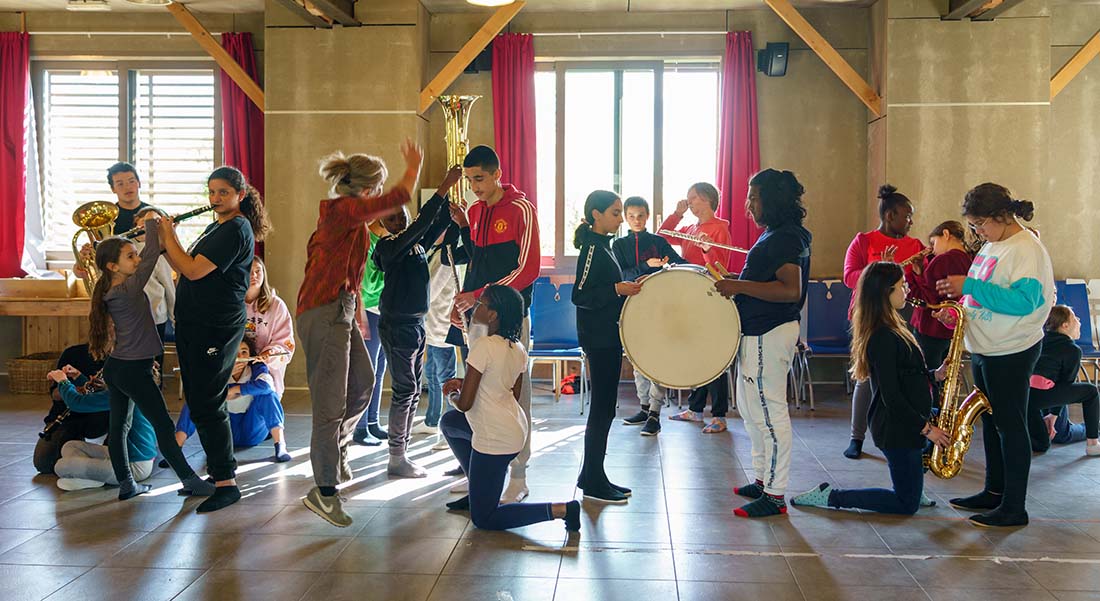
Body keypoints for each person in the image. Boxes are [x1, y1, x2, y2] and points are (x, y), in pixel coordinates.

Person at [296, 142, 421, 527]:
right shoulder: (343, 209)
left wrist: (355, 313)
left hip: (342, 310)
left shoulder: (349, 219)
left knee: (363, 386)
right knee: (329, 403)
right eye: (379, 186)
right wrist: (413, 166)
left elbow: (342, 266)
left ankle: (339, 452)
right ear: (370, 187)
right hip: (323, 312)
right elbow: (399, 197)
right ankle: (325, 491)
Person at [935, 182, 1055, 528]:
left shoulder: (1026, 249)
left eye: (980, 224)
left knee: (1010, 426)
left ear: (1003, 216)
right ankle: (994, 491)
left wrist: (969, 287)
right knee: (991, 423)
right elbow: (984, 293)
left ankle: (1014, 507)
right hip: (986, 346)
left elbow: (1023, 302)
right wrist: (959, 308)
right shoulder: (993, 244)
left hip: (1011, 350)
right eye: (973, 225)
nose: (977, 231)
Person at [791, 262, 950, 515]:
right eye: (901, 286)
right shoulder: (882, 337)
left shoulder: (895, 326)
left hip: (908, 423)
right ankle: (830, 496)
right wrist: (927, 428)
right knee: (904, 505)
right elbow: (892, 396)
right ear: (885, 292)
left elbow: (906, 374)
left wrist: (935, 374)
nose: (907, 291)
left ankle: (914, 487)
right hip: (896, 428)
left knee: (910, 485)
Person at [158, 166, 271, 512]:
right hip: (196, 324)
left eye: (223, 192)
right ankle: (219, 476)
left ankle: (226, 482)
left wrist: (168, 237)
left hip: (215, 327)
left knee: (208, 402)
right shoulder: (217, 227)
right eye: (212, 192)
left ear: (240, 195)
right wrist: (169, 241)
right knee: (199, 398)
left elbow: (192, 269)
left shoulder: (236, 229)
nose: (216, 198)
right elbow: (186, 267)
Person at [440, 285, 581, 532]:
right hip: (514, 428)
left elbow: (465, 404)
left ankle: (562, 509)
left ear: (493, 315)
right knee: (450, 423)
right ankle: (478, 488)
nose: (477, 307)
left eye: (482, 304)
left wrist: (453, 392)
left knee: (484, 519)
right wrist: (465, 383)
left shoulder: (482, 346)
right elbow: (507, 389)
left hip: (494, 438)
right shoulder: (517, 348)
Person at [87, 233, 214, 501]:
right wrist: (154, 225)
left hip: (119, 368)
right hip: (133, 371)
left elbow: (146, 257)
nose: (137, 259)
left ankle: (127, 485)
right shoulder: (127, 289)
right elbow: (152, 254)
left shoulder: (113, 289)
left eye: (135, 253)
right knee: (164, 427)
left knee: (119, 427)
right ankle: (190, 481)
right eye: (130, 256)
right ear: (112, 266)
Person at [716, 169, 812, 518]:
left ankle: (774, 494)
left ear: (772, 200)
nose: (748, 204)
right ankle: (762, 478)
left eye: (754, 197)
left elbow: (790, 289)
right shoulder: (777, 234)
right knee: (751, 407)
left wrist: (739, 287)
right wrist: (737, 280)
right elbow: (766, 278)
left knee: (769, 413)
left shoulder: (785, 237)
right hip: (759, 332)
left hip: (769, 333)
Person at [448, 145, 541, 504]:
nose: (475, 187)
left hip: (510, 319)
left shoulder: (521, 208)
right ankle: (479, 472)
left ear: (497, 174)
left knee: (515, 393)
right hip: (479, 315)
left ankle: (518, 477)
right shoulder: (475, 210)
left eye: (480, 179)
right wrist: (466, 304)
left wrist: (478, 294)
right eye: (470, 180)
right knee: (476, 393)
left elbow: (527, 268)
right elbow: (477, 262)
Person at [374, 166, 461, 477]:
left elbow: (433, 222)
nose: (398, 221)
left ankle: (402, 453)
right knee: (405, 390)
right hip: (398, 327)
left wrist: (453, 208)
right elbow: (424, 221)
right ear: (382, 223)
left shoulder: (416, 243)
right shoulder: (388, 248)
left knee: (411, 391)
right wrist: (442, 186)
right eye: (391, 218)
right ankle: (396, 456)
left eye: (401, 216)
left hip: (415, 325)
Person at [841, 184, 925, 459]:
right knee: (866, 378)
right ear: (890, 215)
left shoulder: (915, 247)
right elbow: (849, 277)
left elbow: (921, 285)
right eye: (907, 215)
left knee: (900, 379)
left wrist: (920, 273)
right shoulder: (864, 241)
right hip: (869, 316)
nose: (911, 221)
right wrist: (879, 271)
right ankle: (857, 437)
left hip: (901, 317)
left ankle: (904, 435)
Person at [573, 190, 642, 503]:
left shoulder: (606, 245)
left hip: (609, 336)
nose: (620, 217)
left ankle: (592, 474)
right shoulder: (591, 248)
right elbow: (580, 295)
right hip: (598, 339)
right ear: (596, 215)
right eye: (615, 212)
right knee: (602, 409)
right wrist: (617, 288)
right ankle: (594, 480)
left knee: (605, 408)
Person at [662, 183, 734, 433]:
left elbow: (720, 264)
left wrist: (706, 249)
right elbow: (662, 237)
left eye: (693, 198)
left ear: (707, 199)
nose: (689, 201)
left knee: (714, 355)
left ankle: (720, 415)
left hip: (711, 294)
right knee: (697, 353)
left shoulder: (720, 227)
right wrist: (677, 213)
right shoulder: (690, 228)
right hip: (689, 295)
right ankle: (695, 409)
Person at [612, 196, 684, 436]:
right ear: (624, 217)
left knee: (657, 359)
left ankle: (655, 411)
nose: (636, 220)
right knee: (637, 359)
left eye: (641, 215)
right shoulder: (618, 245)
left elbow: (680, 265)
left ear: (648, 216)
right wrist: (646, 266)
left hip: (658, 308)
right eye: (631, 216)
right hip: (630, 308)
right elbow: (622, 274)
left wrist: (702, 252)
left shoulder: (659, 242)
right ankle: (643, 407)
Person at [174, 340, 293, 462]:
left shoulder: (256, 367)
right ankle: (175, 449)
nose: (240, 357)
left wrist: (237, 389)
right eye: (234, 352)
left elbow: (267, 385)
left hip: (251, 429)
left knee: (268, 395)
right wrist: (226, 386)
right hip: (223, 431)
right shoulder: (216, 370)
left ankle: (280, 445)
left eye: (244, 352)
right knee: (195, 400)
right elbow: (202, 391)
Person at [46, 368, 157, 491]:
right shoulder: (134, 390)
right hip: (120, 455)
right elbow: (97, 397)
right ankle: (94, 477)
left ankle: (95, 477)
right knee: (70, 446)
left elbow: (77, 403)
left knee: (61, 466)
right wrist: (79, 377)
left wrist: (63, 381)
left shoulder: (121, 394)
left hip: (134, 467)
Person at [904, 221, 975, 397]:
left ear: (946, 234)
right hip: (951, 332)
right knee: (945, 379)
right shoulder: (970, 260)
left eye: (933, 243)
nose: (932, 249)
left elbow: (925, 299)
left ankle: (932, 419)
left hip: (930, 328)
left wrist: (914, 274)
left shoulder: (941, 260)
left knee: (930, 380)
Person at [415, 226, 466, 448]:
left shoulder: (449, 256)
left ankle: (448, 427)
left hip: (444, 326)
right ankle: (432, 420)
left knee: (446, 377)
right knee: (431, 374)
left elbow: (431, 290)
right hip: (432, 325)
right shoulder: (436, 251)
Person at [1026, 306, 1100, 456]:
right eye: (1075, 319)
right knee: (1091, 392)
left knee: (1042, 444)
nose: (1079, 322)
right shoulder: (1072, 350)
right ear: (1065, 325)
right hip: (1043, 395)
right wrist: (1053, 415)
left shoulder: (1037, 339)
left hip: (1025, 398)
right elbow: (1065, 385)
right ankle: (1093, 443)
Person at [33, 345, 108, 475]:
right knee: (44, 463)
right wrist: (75, 387)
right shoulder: (73, 353)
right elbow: (56, 394)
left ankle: (110, 455)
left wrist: (100, 389)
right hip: (72, 418)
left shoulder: (122, 356)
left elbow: (77, 403)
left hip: (106, 416)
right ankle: (84, 452)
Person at [352, 220, 393, 447]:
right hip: (369, 309)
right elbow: (367, 284)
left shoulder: (381, 240)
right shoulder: (366, 242)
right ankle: (359, 427)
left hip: (382, 309)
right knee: (367, 372)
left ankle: (373, 421)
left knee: (379, 369)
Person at [74, 163, 151, 281]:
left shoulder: (152, 214)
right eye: (120, 184)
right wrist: (80, 264)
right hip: (116, 283)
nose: (127, 187)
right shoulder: (104, 219)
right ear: (113, 189)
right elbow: (94, 261)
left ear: (139, 183)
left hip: (149, 279)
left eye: (131, 181)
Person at [132, 207, 176, 377]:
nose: (148, 226)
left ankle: (155, 390)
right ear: (136, 223)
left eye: (155, 223)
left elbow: (169, 288)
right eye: (144, 221)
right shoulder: (124, 248)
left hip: (155, 316)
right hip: (130, 315)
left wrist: (174, 318)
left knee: (154, 362)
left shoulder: (160, 252)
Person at [244, 256, 295, 397]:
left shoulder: (277, 306)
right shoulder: (232, 304)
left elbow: (285, 343)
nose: (254, 275)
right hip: (239, 370)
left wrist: (270, 354)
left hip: (267, 371)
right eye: (249, 271)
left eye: (258, 271)